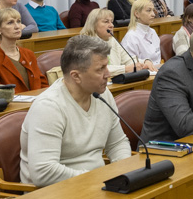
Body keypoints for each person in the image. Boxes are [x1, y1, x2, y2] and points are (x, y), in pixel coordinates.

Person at [19, 35, 132, 186]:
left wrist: (122, 172)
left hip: (95, 185)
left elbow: (117, 143)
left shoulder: (103, 94)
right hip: (53, 194)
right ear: (76, 76)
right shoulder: (48, 107)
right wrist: (96, 178)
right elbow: (43, 172)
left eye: (107, 66)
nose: (108, 74)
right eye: (100, 69)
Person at [0, 8, 43, 92]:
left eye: (18, 21)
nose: (17, 26)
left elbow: (42, 83)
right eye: (10, 23)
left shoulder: (28, 54)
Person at [80, 8, 151, 75]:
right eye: (106, 22)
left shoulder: (112, 39)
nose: (112, 25)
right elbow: (99, 68)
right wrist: (125, 69)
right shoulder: (86, 43)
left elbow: (127, 60)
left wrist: (144, 62)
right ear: (93, 25)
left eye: (111, 22)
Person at [120, 0, 162, 65]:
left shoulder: (153, 32)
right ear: (137, 14)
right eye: (148, 11)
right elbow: (131, 64)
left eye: (153, 10)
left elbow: (158, 59)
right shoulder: (131, 37)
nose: (153, 14)